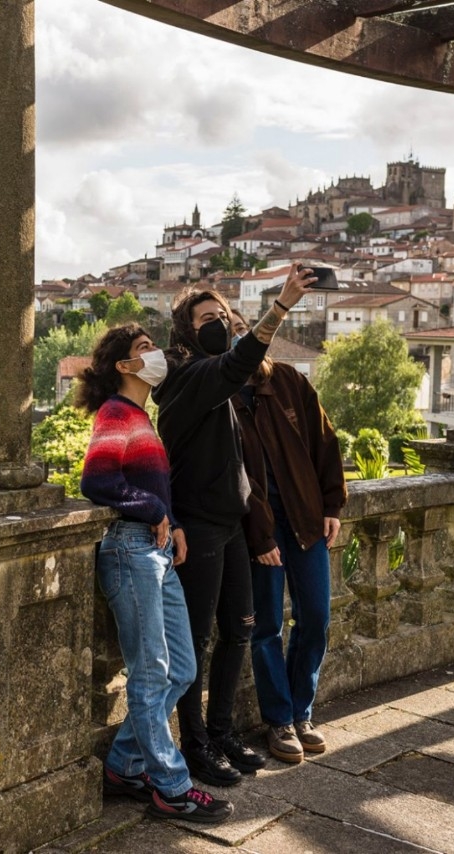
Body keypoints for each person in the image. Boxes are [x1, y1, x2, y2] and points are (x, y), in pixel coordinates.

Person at [152, 268, 313, 787]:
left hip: (230, 525)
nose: (221, 323)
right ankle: (195, 744)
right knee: (196, 642)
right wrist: (281, 306)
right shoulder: (185, 379)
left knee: (239, 631)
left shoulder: (216, 379)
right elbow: (239, 360)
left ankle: (221, 733)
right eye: (208, 318)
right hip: (196, 528)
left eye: (225, 316)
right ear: (185, 330)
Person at [79, 323, 233, 824]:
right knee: (149, 674)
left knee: (182, 669)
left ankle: (124, 765)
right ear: (125, 367)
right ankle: (172, 786)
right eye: (144, 349)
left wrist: (174, 523)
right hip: (129, 550)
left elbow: (151, 486)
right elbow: (98, 480)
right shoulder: (116, 413)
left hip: (156, 552)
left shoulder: (143, 417)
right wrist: (153, 510)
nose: (157, 354)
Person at [233, 355, 347, 763]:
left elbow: (324, 441)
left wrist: (332, 504)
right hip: (259, 530)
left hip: (306, 519)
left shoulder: (286, 380)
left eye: (240, 323)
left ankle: (303, 713)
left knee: (316, 617)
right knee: (267, 626)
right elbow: (230, 476)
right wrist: (258, 535)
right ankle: (279, 720)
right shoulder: (218, 392)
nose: (236, 332)